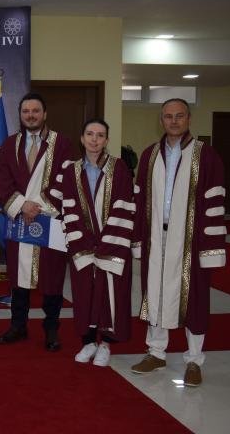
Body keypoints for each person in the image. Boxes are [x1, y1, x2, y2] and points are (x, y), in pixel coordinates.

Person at [130, 98, 225, 386]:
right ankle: (156, 352)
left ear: (188, 119)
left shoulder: (206, 155)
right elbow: (139, 201)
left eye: (179, 116)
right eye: (168, 116)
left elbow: (214, 201)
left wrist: (209, 248)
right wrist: (138, 238)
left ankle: (194, 360)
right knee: (155, 292)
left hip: (190, 240)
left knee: (194, 298)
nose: (173, 121)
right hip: (156, 237)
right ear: (161, 120)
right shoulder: (149, 155)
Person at [0, 92, 73, 351]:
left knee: (52, 279)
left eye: (35, 111)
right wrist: (22, 206)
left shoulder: (62, 144)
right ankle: (18, 326)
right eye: (26, 111)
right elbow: (1, 181)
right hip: (20, 221)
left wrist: (37, 207)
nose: (30, 115)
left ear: (45, 113)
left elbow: (66, 179)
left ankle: (51, 329)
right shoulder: (9, 145)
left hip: (49, 222)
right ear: (20, 115)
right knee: (19, 278)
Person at [62, 119, 134, 367]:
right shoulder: (71, 171)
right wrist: (84, 240)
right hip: (82, 244)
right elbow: (68, 207)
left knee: (110, 293)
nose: (94, 139)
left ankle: (106, 344)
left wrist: (105, 242)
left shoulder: (119, 168)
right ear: (82, 138)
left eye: (100, 135)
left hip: (112, 244)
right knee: (85, 292)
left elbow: (124, 205)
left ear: (106, 140)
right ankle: (89, 341)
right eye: (90, 134)